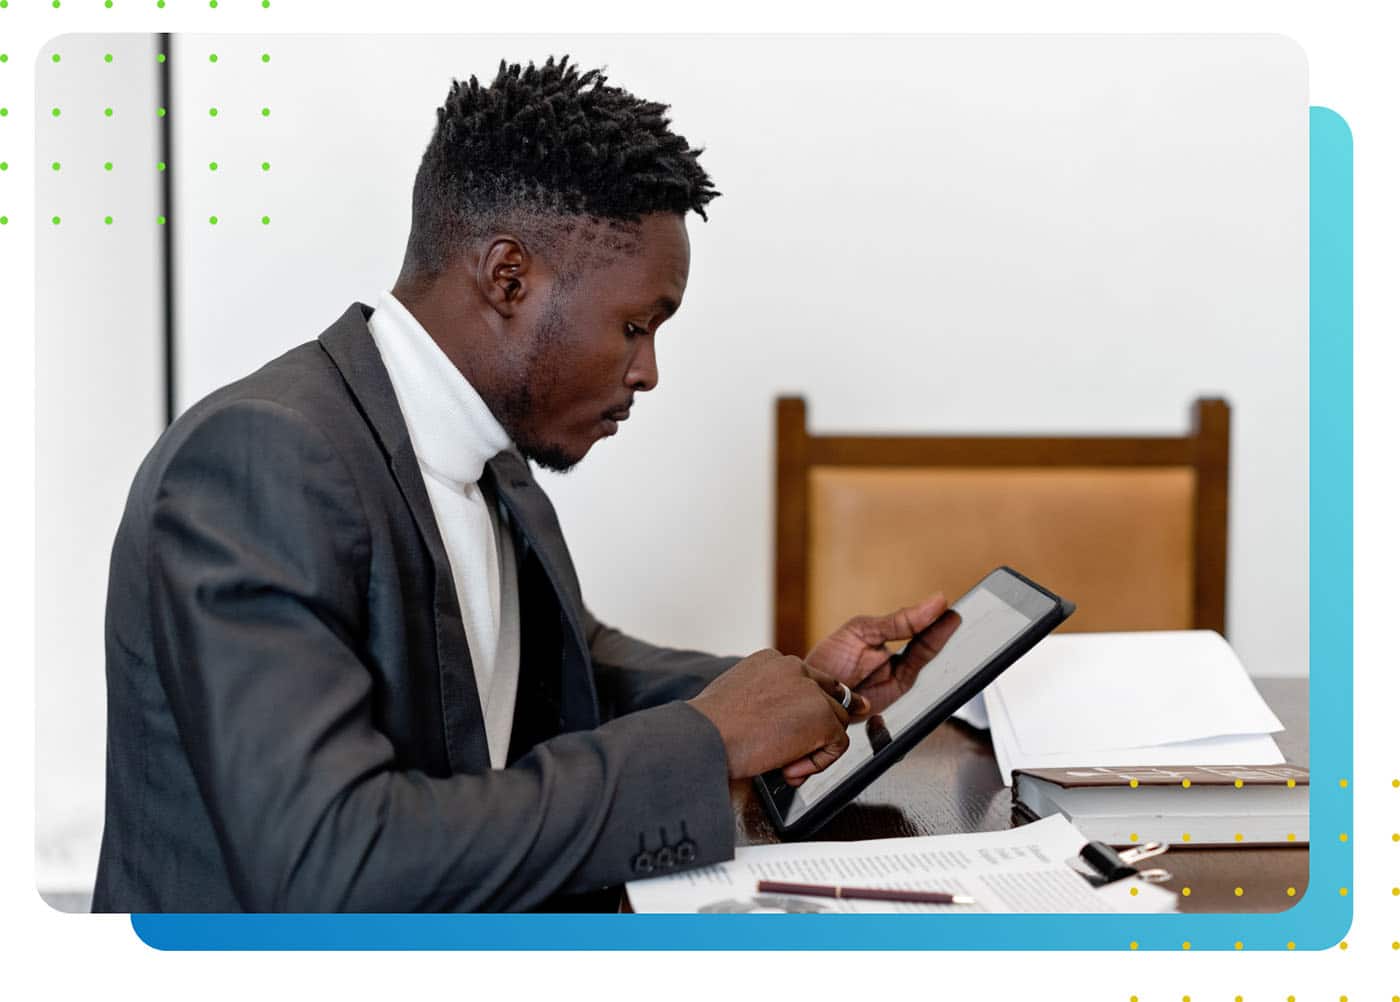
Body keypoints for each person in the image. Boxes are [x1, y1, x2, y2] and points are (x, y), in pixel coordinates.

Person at [92, 56, 946, 913]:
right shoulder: (259, 459)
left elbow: (572, 667)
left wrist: (797, 692)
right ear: (509, 277)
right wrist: (708, 743)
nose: (647, 371)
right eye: (635, 325)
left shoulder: (491, 461)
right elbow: (329, 863)